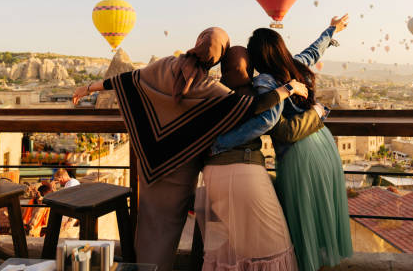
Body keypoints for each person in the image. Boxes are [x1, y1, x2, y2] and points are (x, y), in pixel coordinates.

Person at [72, 27, 308, 271]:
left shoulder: (165, 65)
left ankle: (142, 267)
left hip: (151, 163)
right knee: (170, 230)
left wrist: (89, 88)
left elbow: (128, 80)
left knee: (150, 225)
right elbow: (254, 107)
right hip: (182, 167)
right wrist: (287, 89)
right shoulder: (209, 88)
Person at [211, 15, 353, 270]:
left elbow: (268, 122)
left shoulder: (264, 81)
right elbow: (313, 52)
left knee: (302, 222)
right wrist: (331, 30)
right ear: (280, 49)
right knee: (318, 215)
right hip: (323, 143)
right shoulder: (294, 66)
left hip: (300, 152)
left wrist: (221, 142)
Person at [200, 46, 325, 271]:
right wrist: (293, 93)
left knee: (235, 249)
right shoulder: (254, 93)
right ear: (249, 67)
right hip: (244, 170)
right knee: (274, 247)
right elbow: (267, 121)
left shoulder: (211, 92)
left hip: (212, 174)